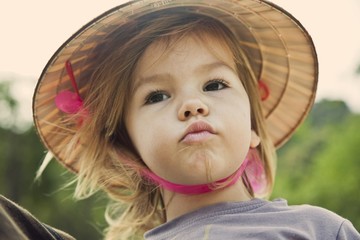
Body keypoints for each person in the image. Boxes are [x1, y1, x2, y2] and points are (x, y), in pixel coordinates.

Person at [2, 0, 359, 239]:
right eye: (156, 96)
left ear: (253, 127)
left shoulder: (321, 228)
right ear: (127, 148)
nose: (192, 105)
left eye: (215, 84)